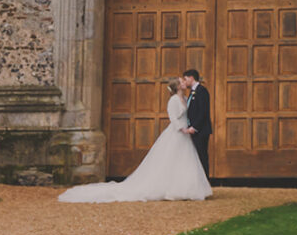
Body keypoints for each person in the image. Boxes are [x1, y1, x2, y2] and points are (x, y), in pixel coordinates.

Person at [56, 79, 210, 203]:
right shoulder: (173, 101)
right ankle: (170, 188)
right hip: (178, 133)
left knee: (183, 161)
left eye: (183, 80)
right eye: (181, 81)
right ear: (177, 86)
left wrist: (190, 127)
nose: (184, 82)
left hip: (185, 133)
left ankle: (184, 187)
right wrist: (182, 129)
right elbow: (173, 117)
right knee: (170, 160)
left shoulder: (184, 97)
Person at [181, 68, 212, 177]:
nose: (185, 82)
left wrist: (195, 127)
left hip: (201, 131)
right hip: (193, 130)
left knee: (202, 157)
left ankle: (205, 184)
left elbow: (203, 112)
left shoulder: (201, 91)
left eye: (185, 79)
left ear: (191, 78)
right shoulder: (192, 92)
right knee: (196, 158)